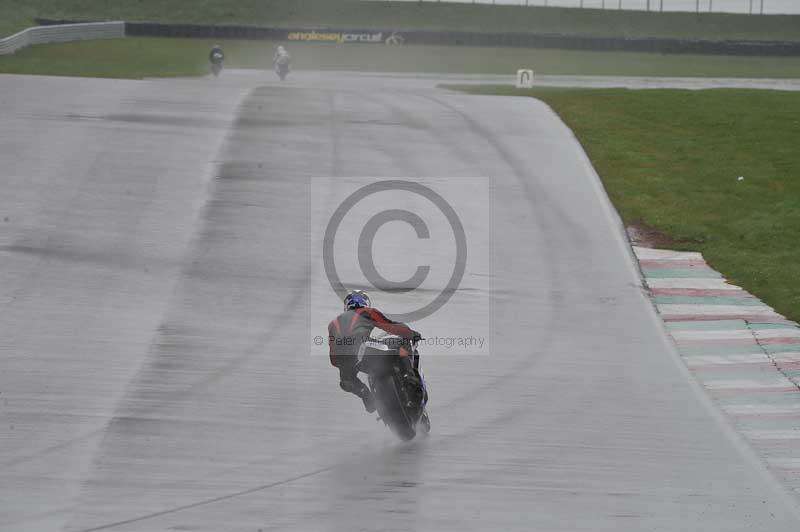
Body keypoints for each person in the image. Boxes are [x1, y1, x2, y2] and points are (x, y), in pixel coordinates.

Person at [328, 290, 421, 413]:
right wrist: (412, 334)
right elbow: (390, 326)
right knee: (400, 343)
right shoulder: (366, 312)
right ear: (365, 303)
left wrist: (342, 364)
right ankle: (409, 378)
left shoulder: (333, 323)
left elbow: (333, 355)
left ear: (346, 305)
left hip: (343, 360)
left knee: (348, 380)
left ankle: (367, 397)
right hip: (363, 348)